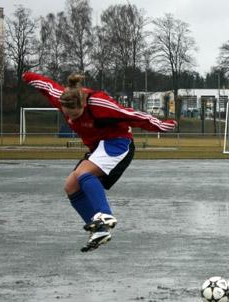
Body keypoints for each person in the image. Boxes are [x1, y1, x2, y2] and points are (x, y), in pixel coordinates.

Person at [23, 71, 177, 252]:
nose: (72, 119)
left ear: (82, 106)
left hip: (118, 142)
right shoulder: (63, 98)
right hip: (98, 147)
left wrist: (162, 125)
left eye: (75, 115)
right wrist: (27, 75)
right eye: (67, 115)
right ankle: (100, 230)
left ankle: (105, 215)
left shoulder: (99, 104)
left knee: (83, 174)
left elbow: (131, 115)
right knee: (71, 185)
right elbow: (46, 86)